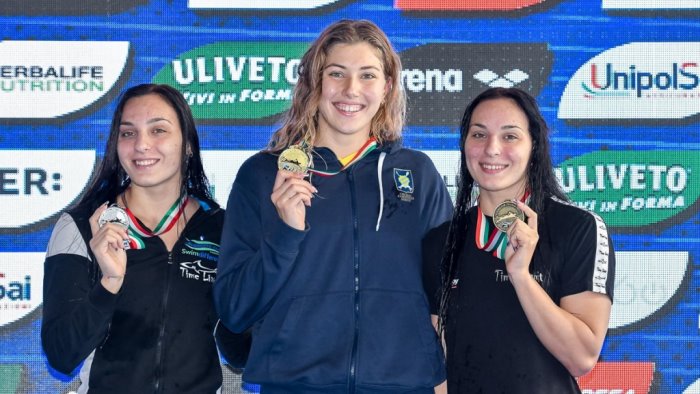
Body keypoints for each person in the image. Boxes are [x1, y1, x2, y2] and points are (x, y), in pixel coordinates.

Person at [213, 19, 453, 393]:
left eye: (368, 75)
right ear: (314, 82)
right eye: (336, 73)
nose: (351, 90)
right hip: (294, 384)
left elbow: (447, 295)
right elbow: (235, 310)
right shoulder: (262, 175)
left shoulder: (416, 173)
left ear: (387, 86)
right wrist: (286, 233)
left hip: (404, 384)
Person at [41, 83, 248, 393]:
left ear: (187, 143)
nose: (141, 145)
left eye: (158, 131)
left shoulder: (224, 229)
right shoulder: (81, 226)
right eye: (128, 133)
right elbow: (61, 356)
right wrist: (109, 283)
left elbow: (241, 353)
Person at [422, 87, 616, 393]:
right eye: (478, 134)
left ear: (534, 145)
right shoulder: (441, 241)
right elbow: (441, 365)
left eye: (509, 136)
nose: (492, 149)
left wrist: (521, 278)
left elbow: (581, 356)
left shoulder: (576, 228)